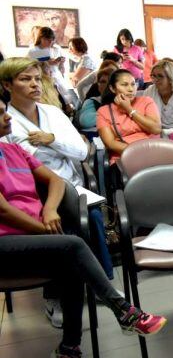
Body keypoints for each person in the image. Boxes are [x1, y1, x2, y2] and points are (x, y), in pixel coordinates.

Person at [0, 99, 167, 358]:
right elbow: (3, 209)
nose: (7, 117)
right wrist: (44, 230)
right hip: (6, 244)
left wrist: (50, 210)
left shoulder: (13, 149)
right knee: (74, 245)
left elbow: (55, 182)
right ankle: (125, 312)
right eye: (0, 113)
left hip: (36, 237)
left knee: (71, 264)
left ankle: (68, 351)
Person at [1, 57, 115, 299]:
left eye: (36, 79)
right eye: (25, 79)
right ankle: (56, 296)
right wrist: (61, 150)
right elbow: (20, 166)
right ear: (7, 85)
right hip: (32, 194)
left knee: (92, 216)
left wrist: (51, 139)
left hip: (68, 184)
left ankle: (102, 284)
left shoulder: (53, 112)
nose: (35, 85)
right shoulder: (5, 122)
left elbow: (82, 151)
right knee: (63, 229)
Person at [96, 70, 161, 164]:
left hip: (153, 153)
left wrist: (129, 109)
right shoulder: (103, 111)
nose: (131, 89)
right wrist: (137, 152)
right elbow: (110, 143)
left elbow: (156, 129)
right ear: (112, 88)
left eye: (133, 84)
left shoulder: (147, 101)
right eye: (124, 85)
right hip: (125, 157)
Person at [78, 64, 118, 130]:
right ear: (98, 86)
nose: (107, 85)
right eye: (103, 82)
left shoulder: (126, 100)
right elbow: (85, 121)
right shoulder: (92, 101)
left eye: (110, 82)